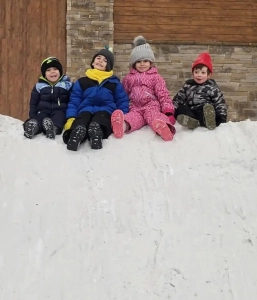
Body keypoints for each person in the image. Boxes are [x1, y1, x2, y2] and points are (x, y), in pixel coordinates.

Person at [111, 36, 176, 141]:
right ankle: (122, 126)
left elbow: (163, 94)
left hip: (152, 106)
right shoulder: (128, 78)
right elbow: (123, 95)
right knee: (132, 118)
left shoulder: (156, 77)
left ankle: (164, 127)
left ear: (151, 62)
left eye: (145, 60)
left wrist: (168, 111)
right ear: (134, 63)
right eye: (139, 61)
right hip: (135, 108)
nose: (142, 64)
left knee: (154, 117)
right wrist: (121, 108)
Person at [63, 47, 129, 151]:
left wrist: (123, 118)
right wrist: (71, 117)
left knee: (101, 120)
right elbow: (75, 101)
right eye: (98, 58)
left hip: (106, 110)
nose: (101, 61)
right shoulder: (82, 82)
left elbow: (122, 101)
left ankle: (97, 133)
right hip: (85, 109)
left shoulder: (114, 83)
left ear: (109, 66)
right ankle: (76, 134)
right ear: (93, 62)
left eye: (105, 60)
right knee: (82, 119)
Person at [173, 52, 227, 130]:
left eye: (203, 73)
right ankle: (192, 122)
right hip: (191, 112)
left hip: (204, 111)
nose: (199, 75)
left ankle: (209, 121)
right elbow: (177, 100)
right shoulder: (187, 85)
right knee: (181, 108)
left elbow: (220, 102)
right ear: (193, 73)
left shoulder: (212, 87)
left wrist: (222, 118)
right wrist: (170, 113)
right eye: (196, 72)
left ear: (209, 75)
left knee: (207, 109)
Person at [23, 57, 73, 139]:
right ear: (44, 74)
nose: (52, 72)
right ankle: (33, 127)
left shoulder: (67, 84)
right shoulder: (39, 86)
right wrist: (33, 116)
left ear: (60, 71)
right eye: (48, 70)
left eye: (55, 69)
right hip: (43, 110)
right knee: (39, 118)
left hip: (60, 110)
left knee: (59, 118)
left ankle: (53, 129)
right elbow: (33, 102)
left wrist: (69, 116)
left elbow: (72, 101)